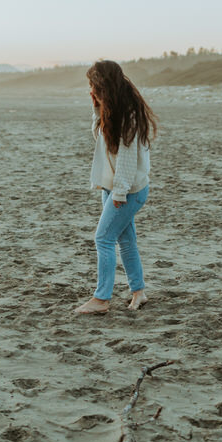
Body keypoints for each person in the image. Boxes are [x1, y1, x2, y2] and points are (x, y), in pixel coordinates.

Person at [75, 60, 156, 314]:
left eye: (93, 85)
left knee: (103, 238)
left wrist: (119, 192)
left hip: (128, 190)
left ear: (103, 85)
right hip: (113, 187)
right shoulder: (111, 110)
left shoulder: (128, 114)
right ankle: (139, 291)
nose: (91, 90)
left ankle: (101, 299)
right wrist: (96, 109)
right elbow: (100, 139)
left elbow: (127, 159)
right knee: (125, 240)